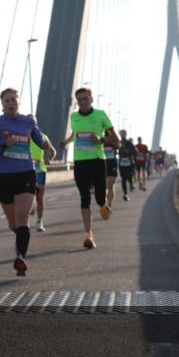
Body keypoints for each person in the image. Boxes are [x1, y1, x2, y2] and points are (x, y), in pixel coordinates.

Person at [0, 89, 55, 276]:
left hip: (26, 173)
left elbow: (38, 138)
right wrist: (4, 144)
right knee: (14, 225)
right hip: (3, 178)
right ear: (2, 104)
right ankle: (20, 240)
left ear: (19, 102)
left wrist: (48, 148)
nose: (11, 103)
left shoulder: (28, 122)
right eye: (7, 100)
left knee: (23, 220)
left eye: (14, 99)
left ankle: (20, 257)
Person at [59, 87, 116, 250]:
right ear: (77, 102)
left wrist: (100, 139)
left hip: (97, 162)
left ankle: (103, 205)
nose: (83, 102)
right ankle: (88, 234)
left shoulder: (101, 115)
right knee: (84, 197)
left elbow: (114, 138)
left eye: (86, 98)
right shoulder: (74, 116)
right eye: (80, 99)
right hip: (80, 163)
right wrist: (66, 142)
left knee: (99, 197)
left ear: (91, 99)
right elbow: (74, 134)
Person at [27, 116, 54, 232]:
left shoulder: (43, 137)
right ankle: (29, 208)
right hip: (26, 168)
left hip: (40, 168)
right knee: (28, 195)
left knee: (40, 197)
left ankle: (39, 221)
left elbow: (53, 151)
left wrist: (50, 158)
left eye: (32, 121)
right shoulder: (22, 136)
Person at [102, 127, 121, 211]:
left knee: (111, 185)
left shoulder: (112, 137)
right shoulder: (98, 137)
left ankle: (109, 205)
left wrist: (112, 141)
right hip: (101, 165)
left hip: (112, 164)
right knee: (104, 187)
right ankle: (105, 201)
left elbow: (118, 145)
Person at [117, 129, 137, 201]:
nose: (122, 135)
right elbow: (114, 149)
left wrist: (128, 151)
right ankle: (125, 194)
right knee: (123, 178)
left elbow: (135, 152)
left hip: (129, 163)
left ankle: (131, 184)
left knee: (129, 177)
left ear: (125, 134)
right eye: (121, 134)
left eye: (123, 134)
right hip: (121, 163)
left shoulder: (129, 143)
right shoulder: (118, 142)